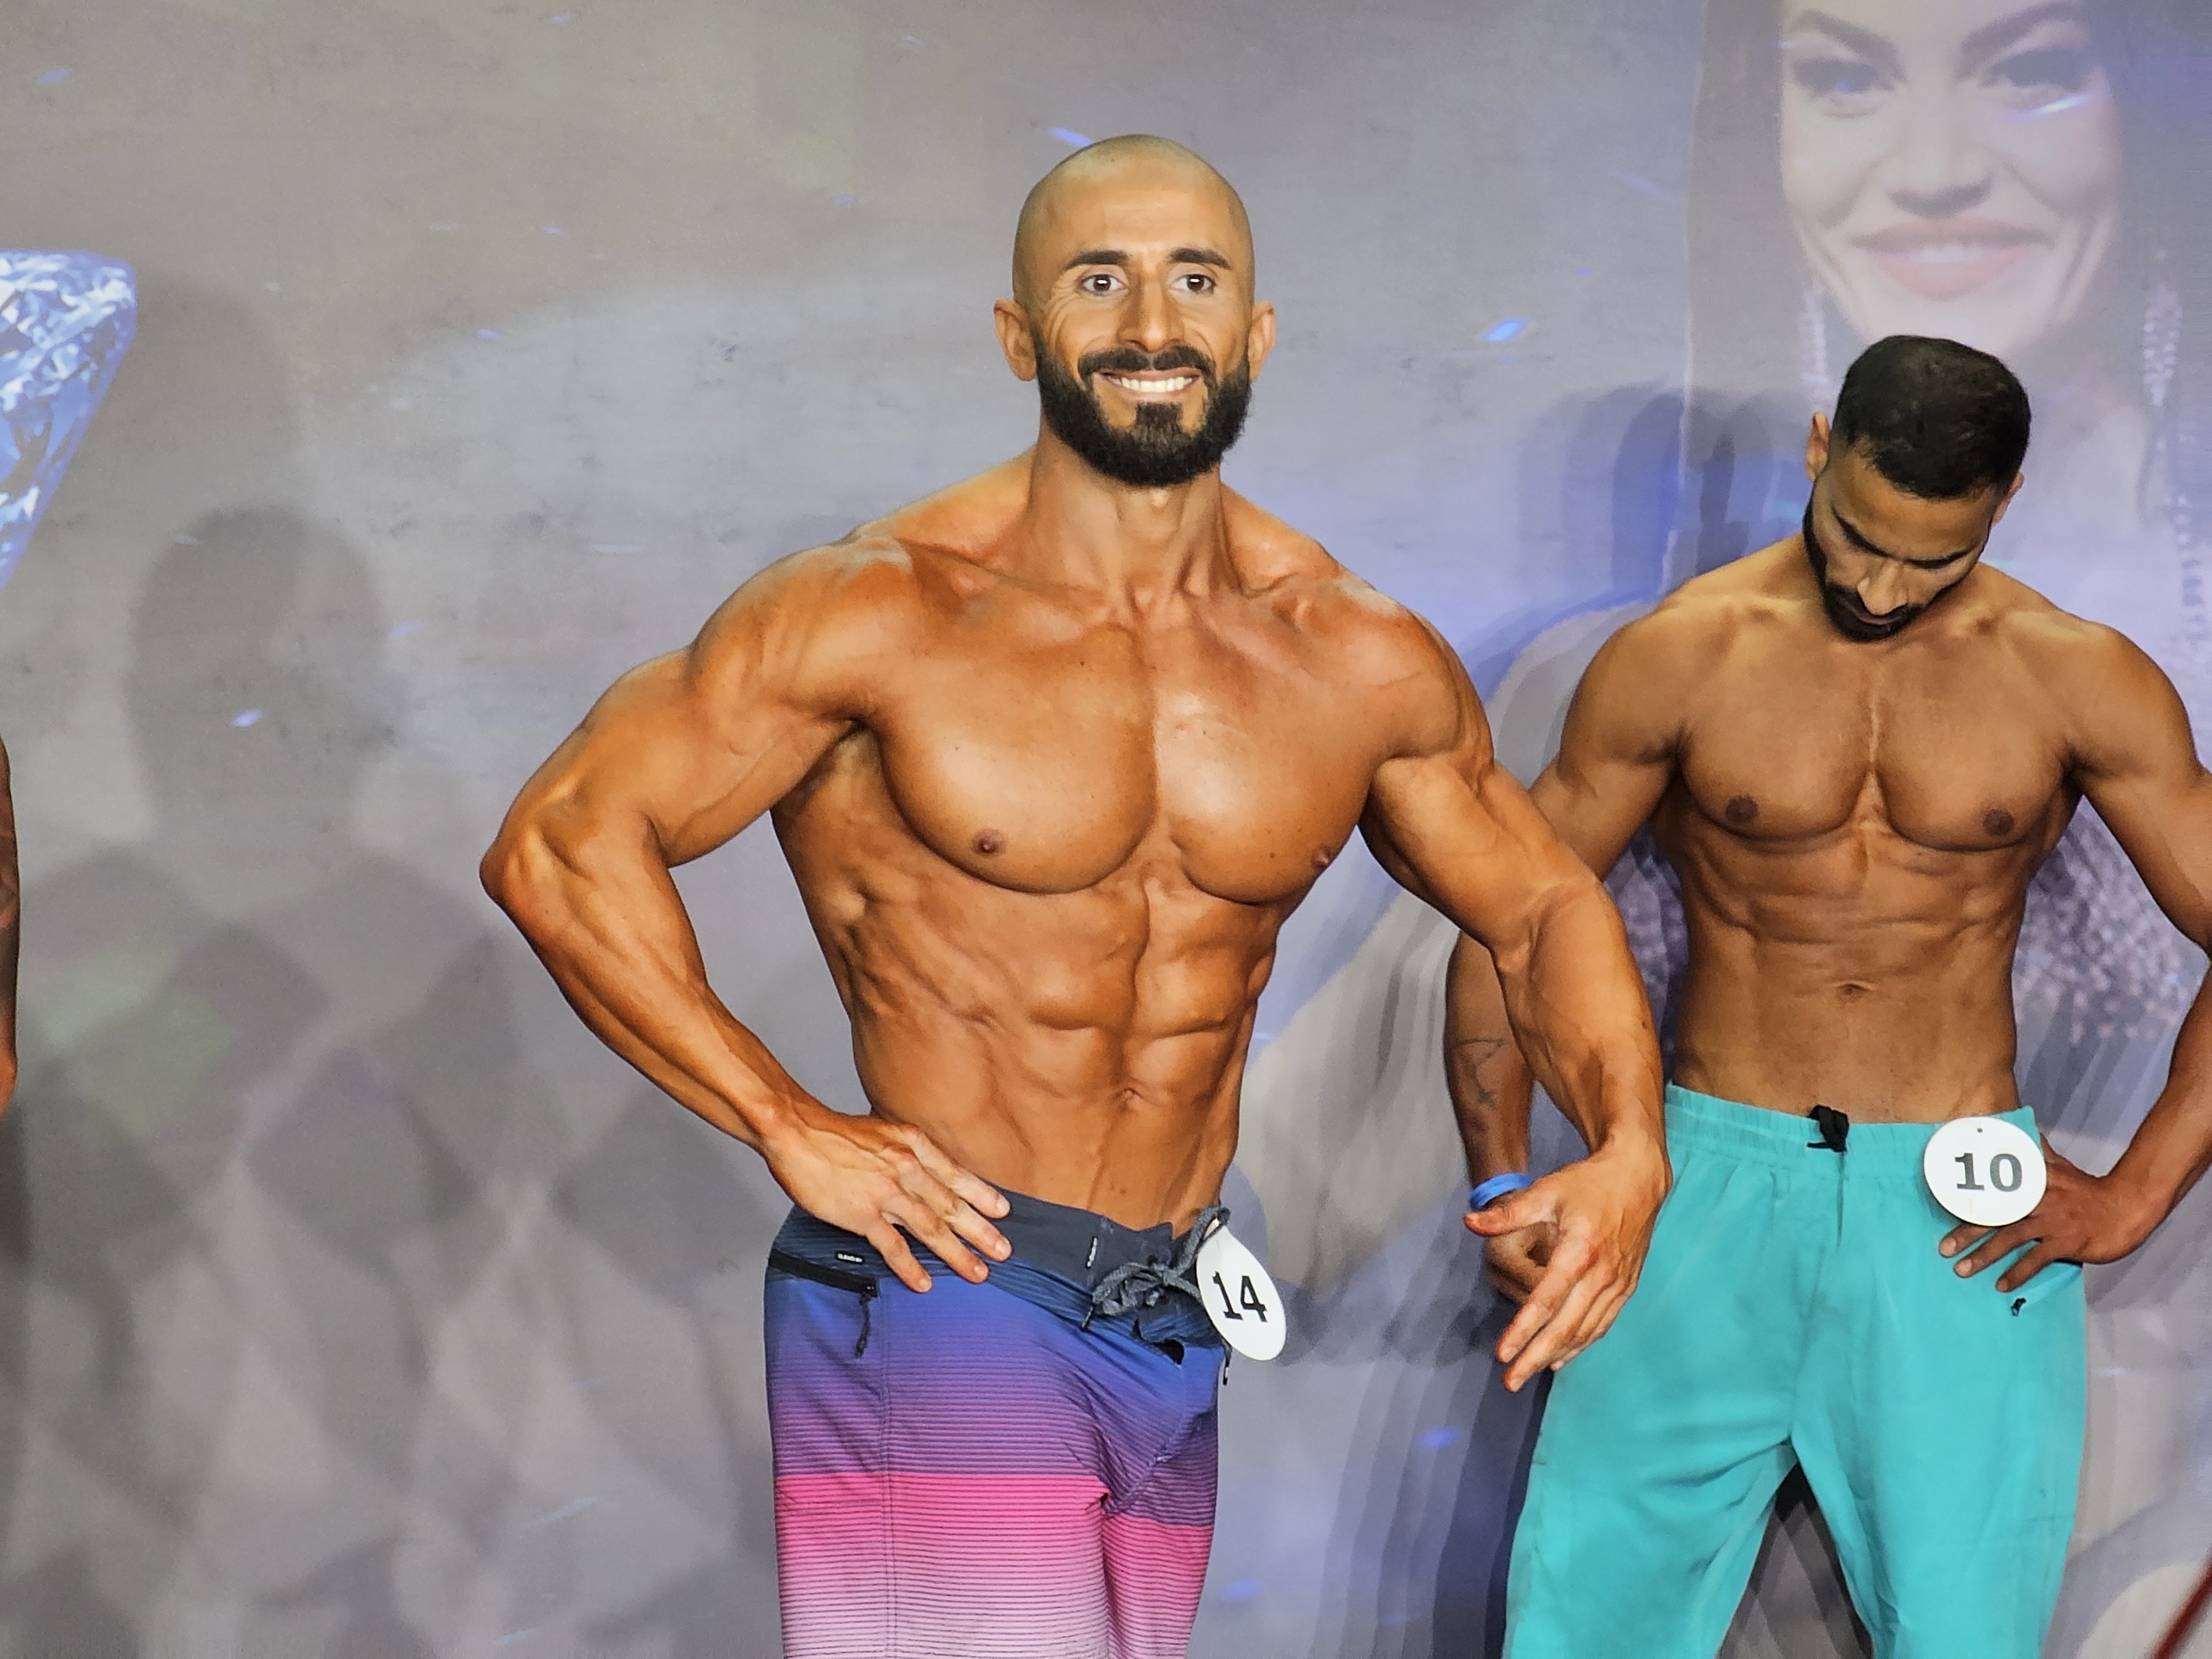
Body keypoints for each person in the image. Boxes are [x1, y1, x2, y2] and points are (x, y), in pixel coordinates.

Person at [481, 134, 1669, 1659]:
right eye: (1099, 282)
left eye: (1195, 281)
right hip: (949, 1285)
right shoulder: (879, 609)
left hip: (1171, 1311)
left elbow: (1544, 906)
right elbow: (563, 843)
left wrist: (1632, 1148)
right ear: (1017, 333)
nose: (1152, 324)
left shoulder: (1351, 653)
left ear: (1255, 332)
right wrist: (786, 1121)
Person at [1450, 334, 2212, 1658]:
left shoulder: (2074, 674)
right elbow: (1506, 918)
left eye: (1932, 559)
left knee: (1967, 1637)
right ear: (1819, 446)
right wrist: (1500, 1171)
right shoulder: (1681, 654)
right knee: (1587, 1632)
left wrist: (2136, 1192)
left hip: (1958, 1209)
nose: (1877, 585)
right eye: (1856, 535)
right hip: (1696, 1187)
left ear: (2005, 502)